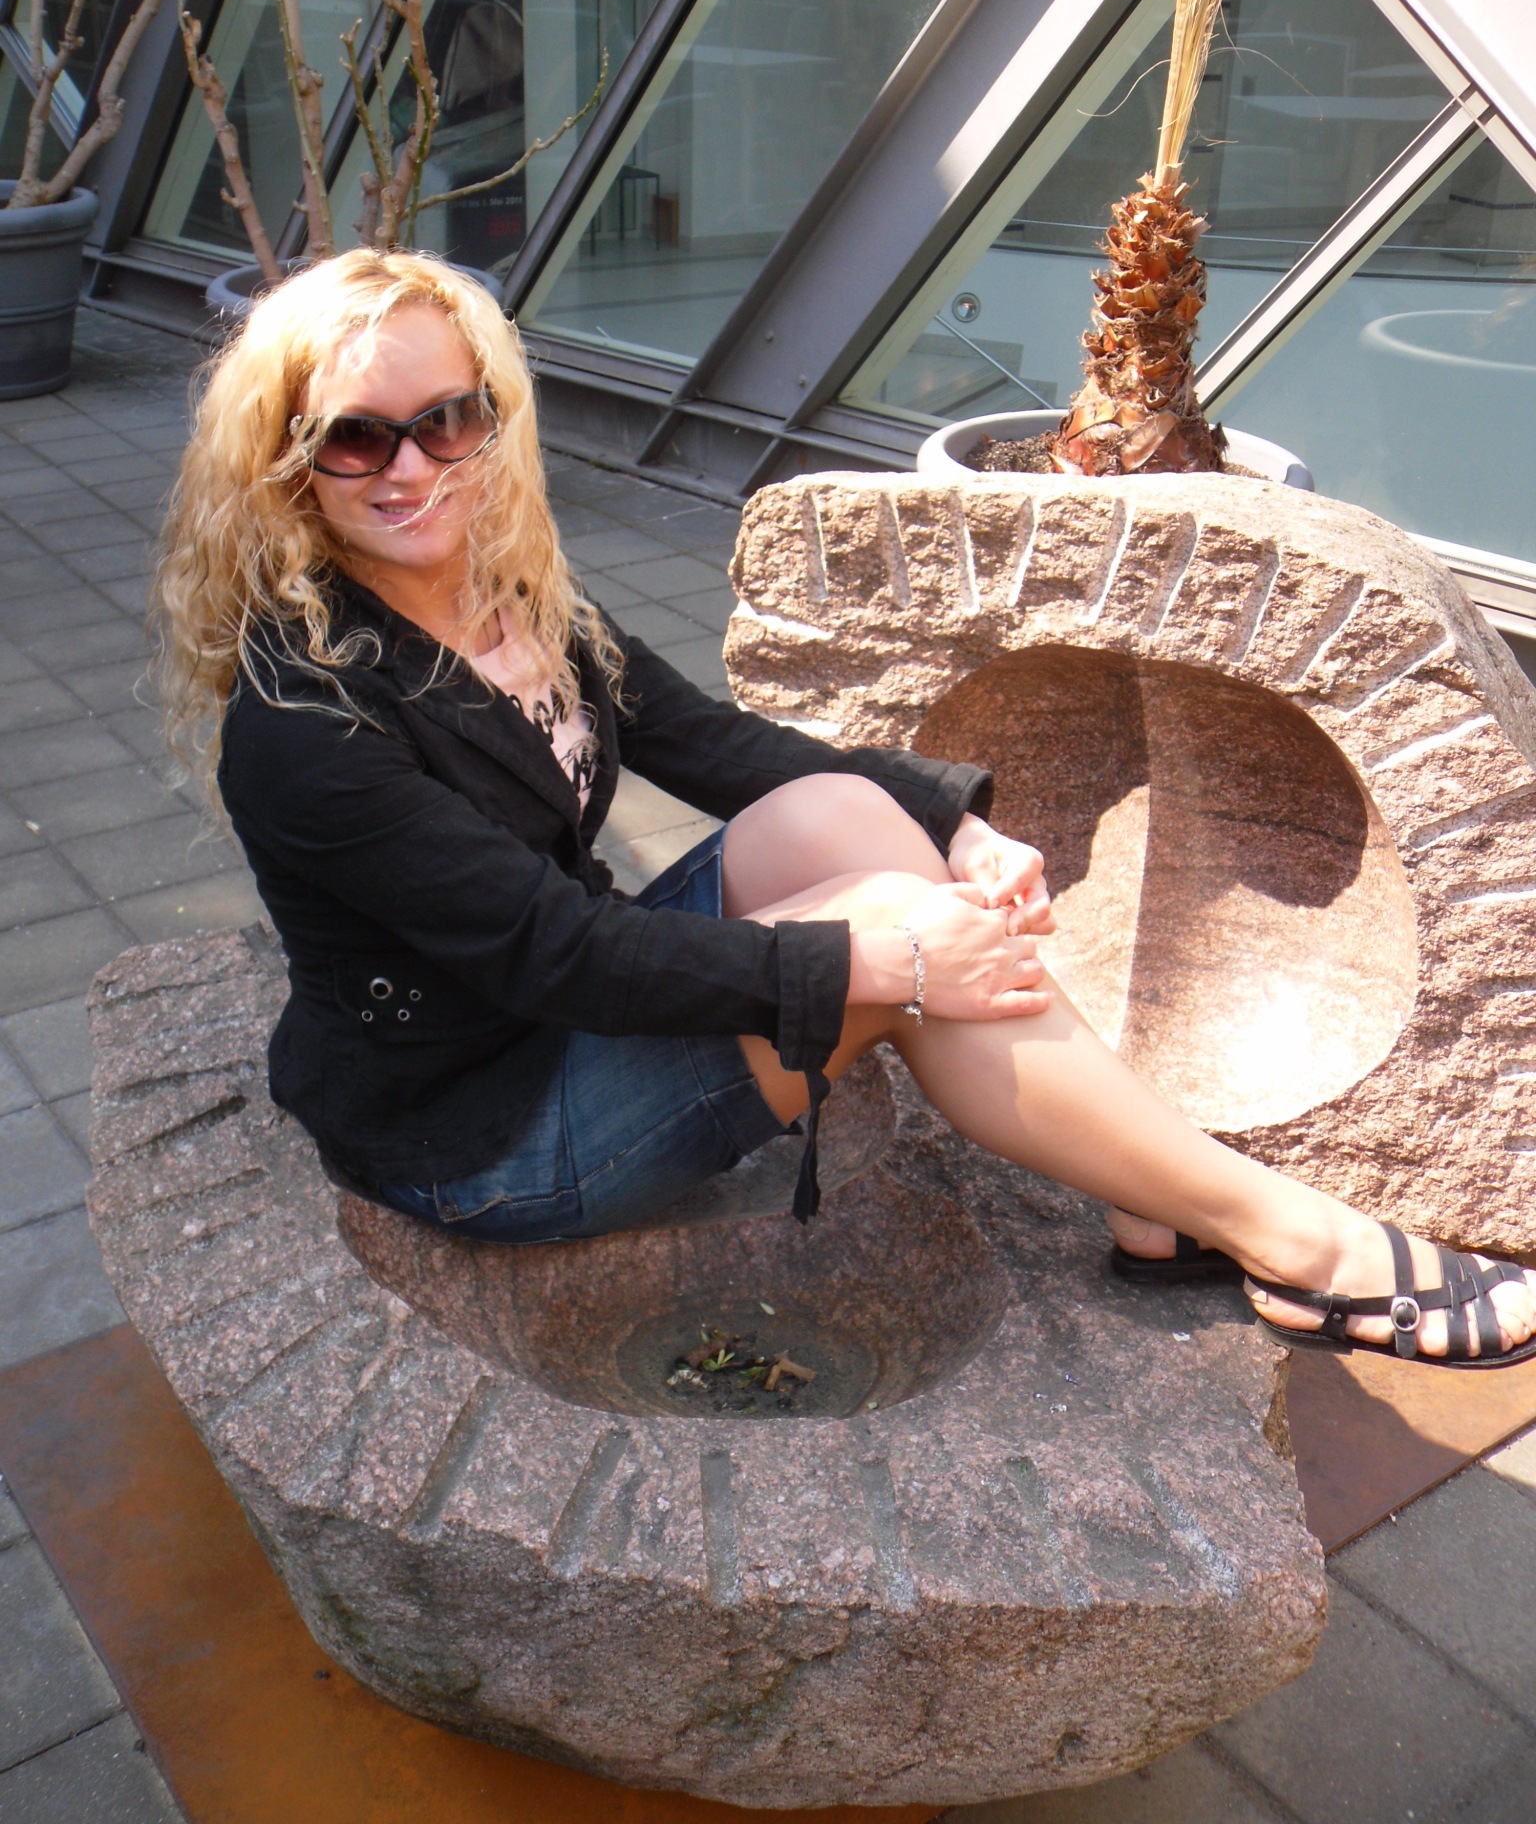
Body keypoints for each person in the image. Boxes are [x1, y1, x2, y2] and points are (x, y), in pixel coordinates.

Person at [153, 248, 1536, 1369]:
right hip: (484, 1127)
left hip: (561, 1003)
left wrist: (955, 828)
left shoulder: (506, 592)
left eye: (446, 420)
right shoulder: (305, 724)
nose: (411, 469)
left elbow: (718, 745)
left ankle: (1152, 1198)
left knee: (846, 824)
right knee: (891, 930)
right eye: (355, 440)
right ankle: (1299, 1243)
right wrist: (879, 960)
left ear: (490, 419)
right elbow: (555, 953)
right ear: (286, 460)